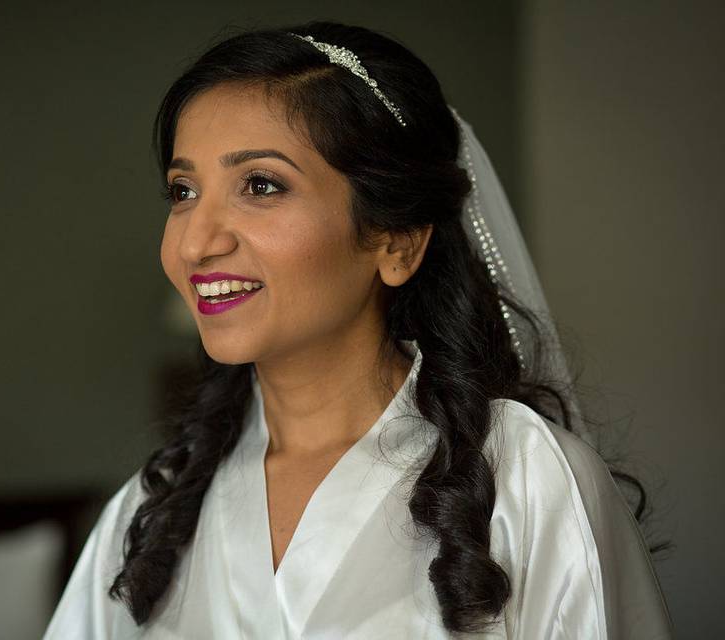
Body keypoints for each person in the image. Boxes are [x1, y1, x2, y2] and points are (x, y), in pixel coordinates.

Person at [44, 21, 673, 639]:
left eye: (260, 185)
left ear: (396, 241)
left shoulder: (526, 480)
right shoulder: (153, 510)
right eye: (183, 191)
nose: (197, 242)